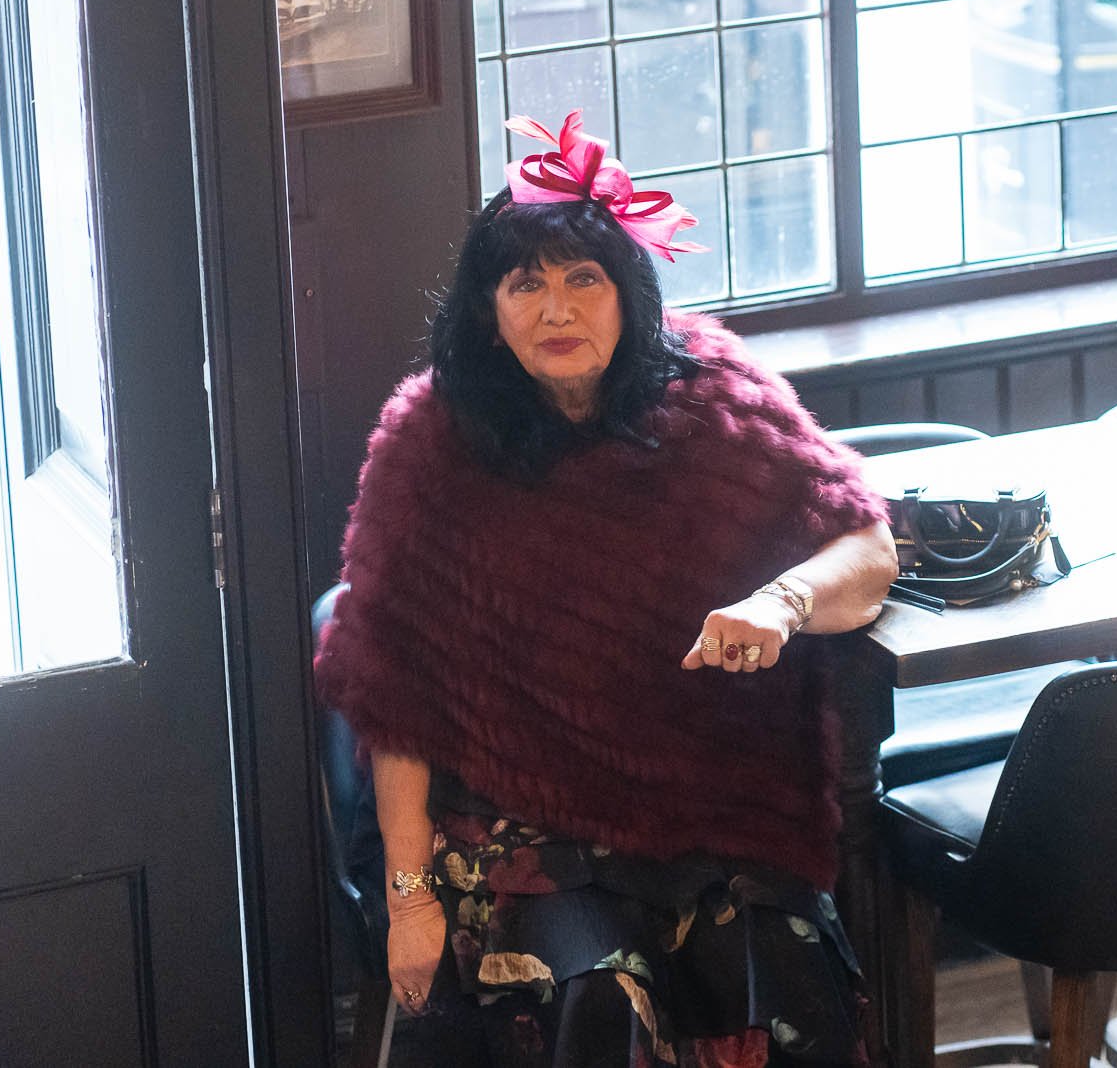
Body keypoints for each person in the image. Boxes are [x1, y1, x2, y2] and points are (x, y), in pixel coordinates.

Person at [315, 110, 896, 1068]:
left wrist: (780, 603)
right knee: (595, 991)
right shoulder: (428, 442)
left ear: (630, 294)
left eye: (583, 279)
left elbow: (866, 543)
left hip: (709, 804)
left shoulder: (716, 395)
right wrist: (408, 897)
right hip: (512, 820)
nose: (557, 311)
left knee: (780, 972)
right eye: (525, 285)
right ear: (488, 314)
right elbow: (391, 690)